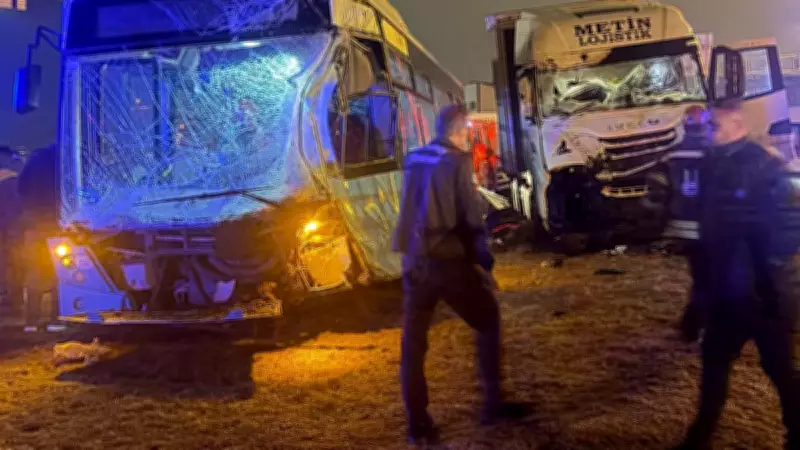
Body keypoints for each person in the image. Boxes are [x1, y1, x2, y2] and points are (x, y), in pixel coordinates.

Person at [392, 105, 530, 446]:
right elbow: (469, 217)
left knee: (413, 344)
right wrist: (483, 262)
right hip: (447, 260)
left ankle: (418, 422)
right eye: (466, 129)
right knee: (487, 319)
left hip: (414, 262)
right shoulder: (457, 160)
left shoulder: (414, 159)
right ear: (459, 129)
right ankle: (492, 403)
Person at [676, 99, 800, 450]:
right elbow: (705, 234)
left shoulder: (770, 167)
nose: (707, 132)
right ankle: (699, 438)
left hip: (767, 297)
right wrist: (698, 301)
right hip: (726, 295)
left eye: (713, 126)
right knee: (714, 362)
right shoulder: (710, 167)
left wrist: (765, 277)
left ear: (737, 124)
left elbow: (792, 227)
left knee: (780, 369)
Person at [17, 144, 59, 332]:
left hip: (34, 223)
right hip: (60, 223)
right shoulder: (65, 157)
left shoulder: (35, 159)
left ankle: (31, 322)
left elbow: (21, 188)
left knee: (35, 271)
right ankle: (56, 319)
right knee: (60, 271)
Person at [0, 146, 24, 317]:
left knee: (8, 264)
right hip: (16, 230)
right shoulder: (17, 182)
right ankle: (14, 299)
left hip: (7, 230)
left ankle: (9, 297)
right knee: (15, 265)